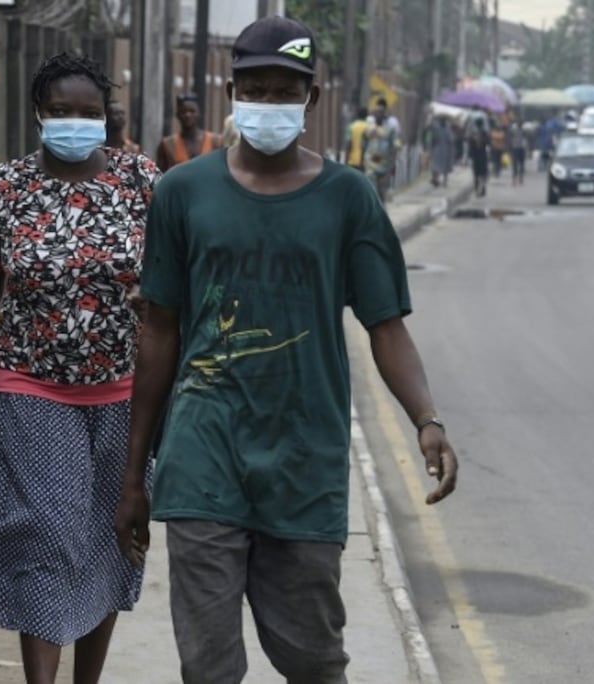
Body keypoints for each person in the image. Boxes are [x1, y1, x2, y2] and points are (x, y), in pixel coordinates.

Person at [112, 16, 458, 683]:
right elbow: (159, 331)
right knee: (208, 667)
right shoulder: (183, 193)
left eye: (283, 91)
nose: (267, 103)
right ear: (232, 94)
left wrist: (427, 420)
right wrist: (135, 477)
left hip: (304, 461)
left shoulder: (349, 199)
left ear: (311, 100)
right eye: (255, 88)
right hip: (202, 455)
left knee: (313, 662)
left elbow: (385, 325)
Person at [0, 52, 159, 684]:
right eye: (61, 112)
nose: (75, 123)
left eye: (89, 113)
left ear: (106, 117)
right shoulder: (7, 189)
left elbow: (176, 284)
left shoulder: (142, 182)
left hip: (123, 394)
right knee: (50, 538)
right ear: (38, 114)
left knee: (107, 544)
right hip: (31, 389)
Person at [156, 93, 223, 172]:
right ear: (177, 115)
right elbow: (159, 176)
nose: (188, 115)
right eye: (183, 112)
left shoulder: (215, 142)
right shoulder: (167, 144)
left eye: (192, 111)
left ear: (199, 113)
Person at [363, 103, 398, 202]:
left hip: (384, 164)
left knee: (382, 190)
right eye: (377, 113)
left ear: (384, 115)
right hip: (370, 162)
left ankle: (382, 209)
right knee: (371, 188)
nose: (379, 115)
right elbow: (363, 143)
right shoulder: (369, 127)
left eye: (381, 113)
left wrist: (393, 163)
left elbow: (394, 146)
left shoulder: (390, 129)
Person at [427, 115, 454, 187]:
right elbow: (451, 140)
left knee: (439, 166)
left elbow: (451, 140)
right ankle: (436, 179)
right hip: (441, 149)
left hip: (442, 149)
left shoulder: (444, 129)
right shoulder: (438, 129)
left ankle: (442, 180)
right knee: (435, 165)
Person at [468, 118, 490, 197]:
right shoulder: (484, 133)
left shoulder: (474, 134)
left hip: (477, 156)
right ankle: (481, 189)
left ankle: (478, 189)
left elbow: (470, 146)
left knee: (477, 174)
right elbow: (488, 143)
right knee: (481, 174)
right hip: (481, 156)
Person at [508, 121, 527, 186]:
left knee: (516, 164)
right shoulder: (522, 132)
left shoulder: (514, 131)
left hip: (517, 149)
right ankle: (518, 178)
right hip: (519, 148)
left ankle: (516, 178)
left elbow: (510, 140)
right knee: (519, 164)